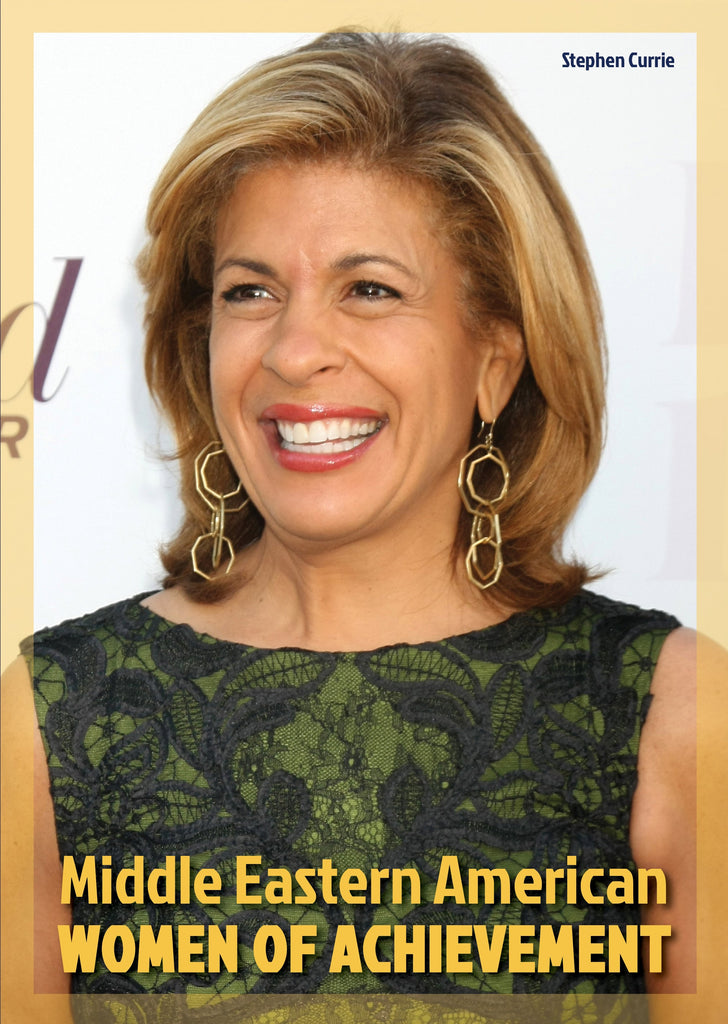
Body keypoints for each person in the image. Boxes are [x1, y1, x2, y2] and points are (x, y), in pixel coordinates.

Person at [2, 29, 721, 1021]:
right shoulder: (55, 721)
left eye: (370, 289)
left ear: (494, 362)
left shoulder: (671, 715)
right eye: (249, 291)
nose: (297, 352)